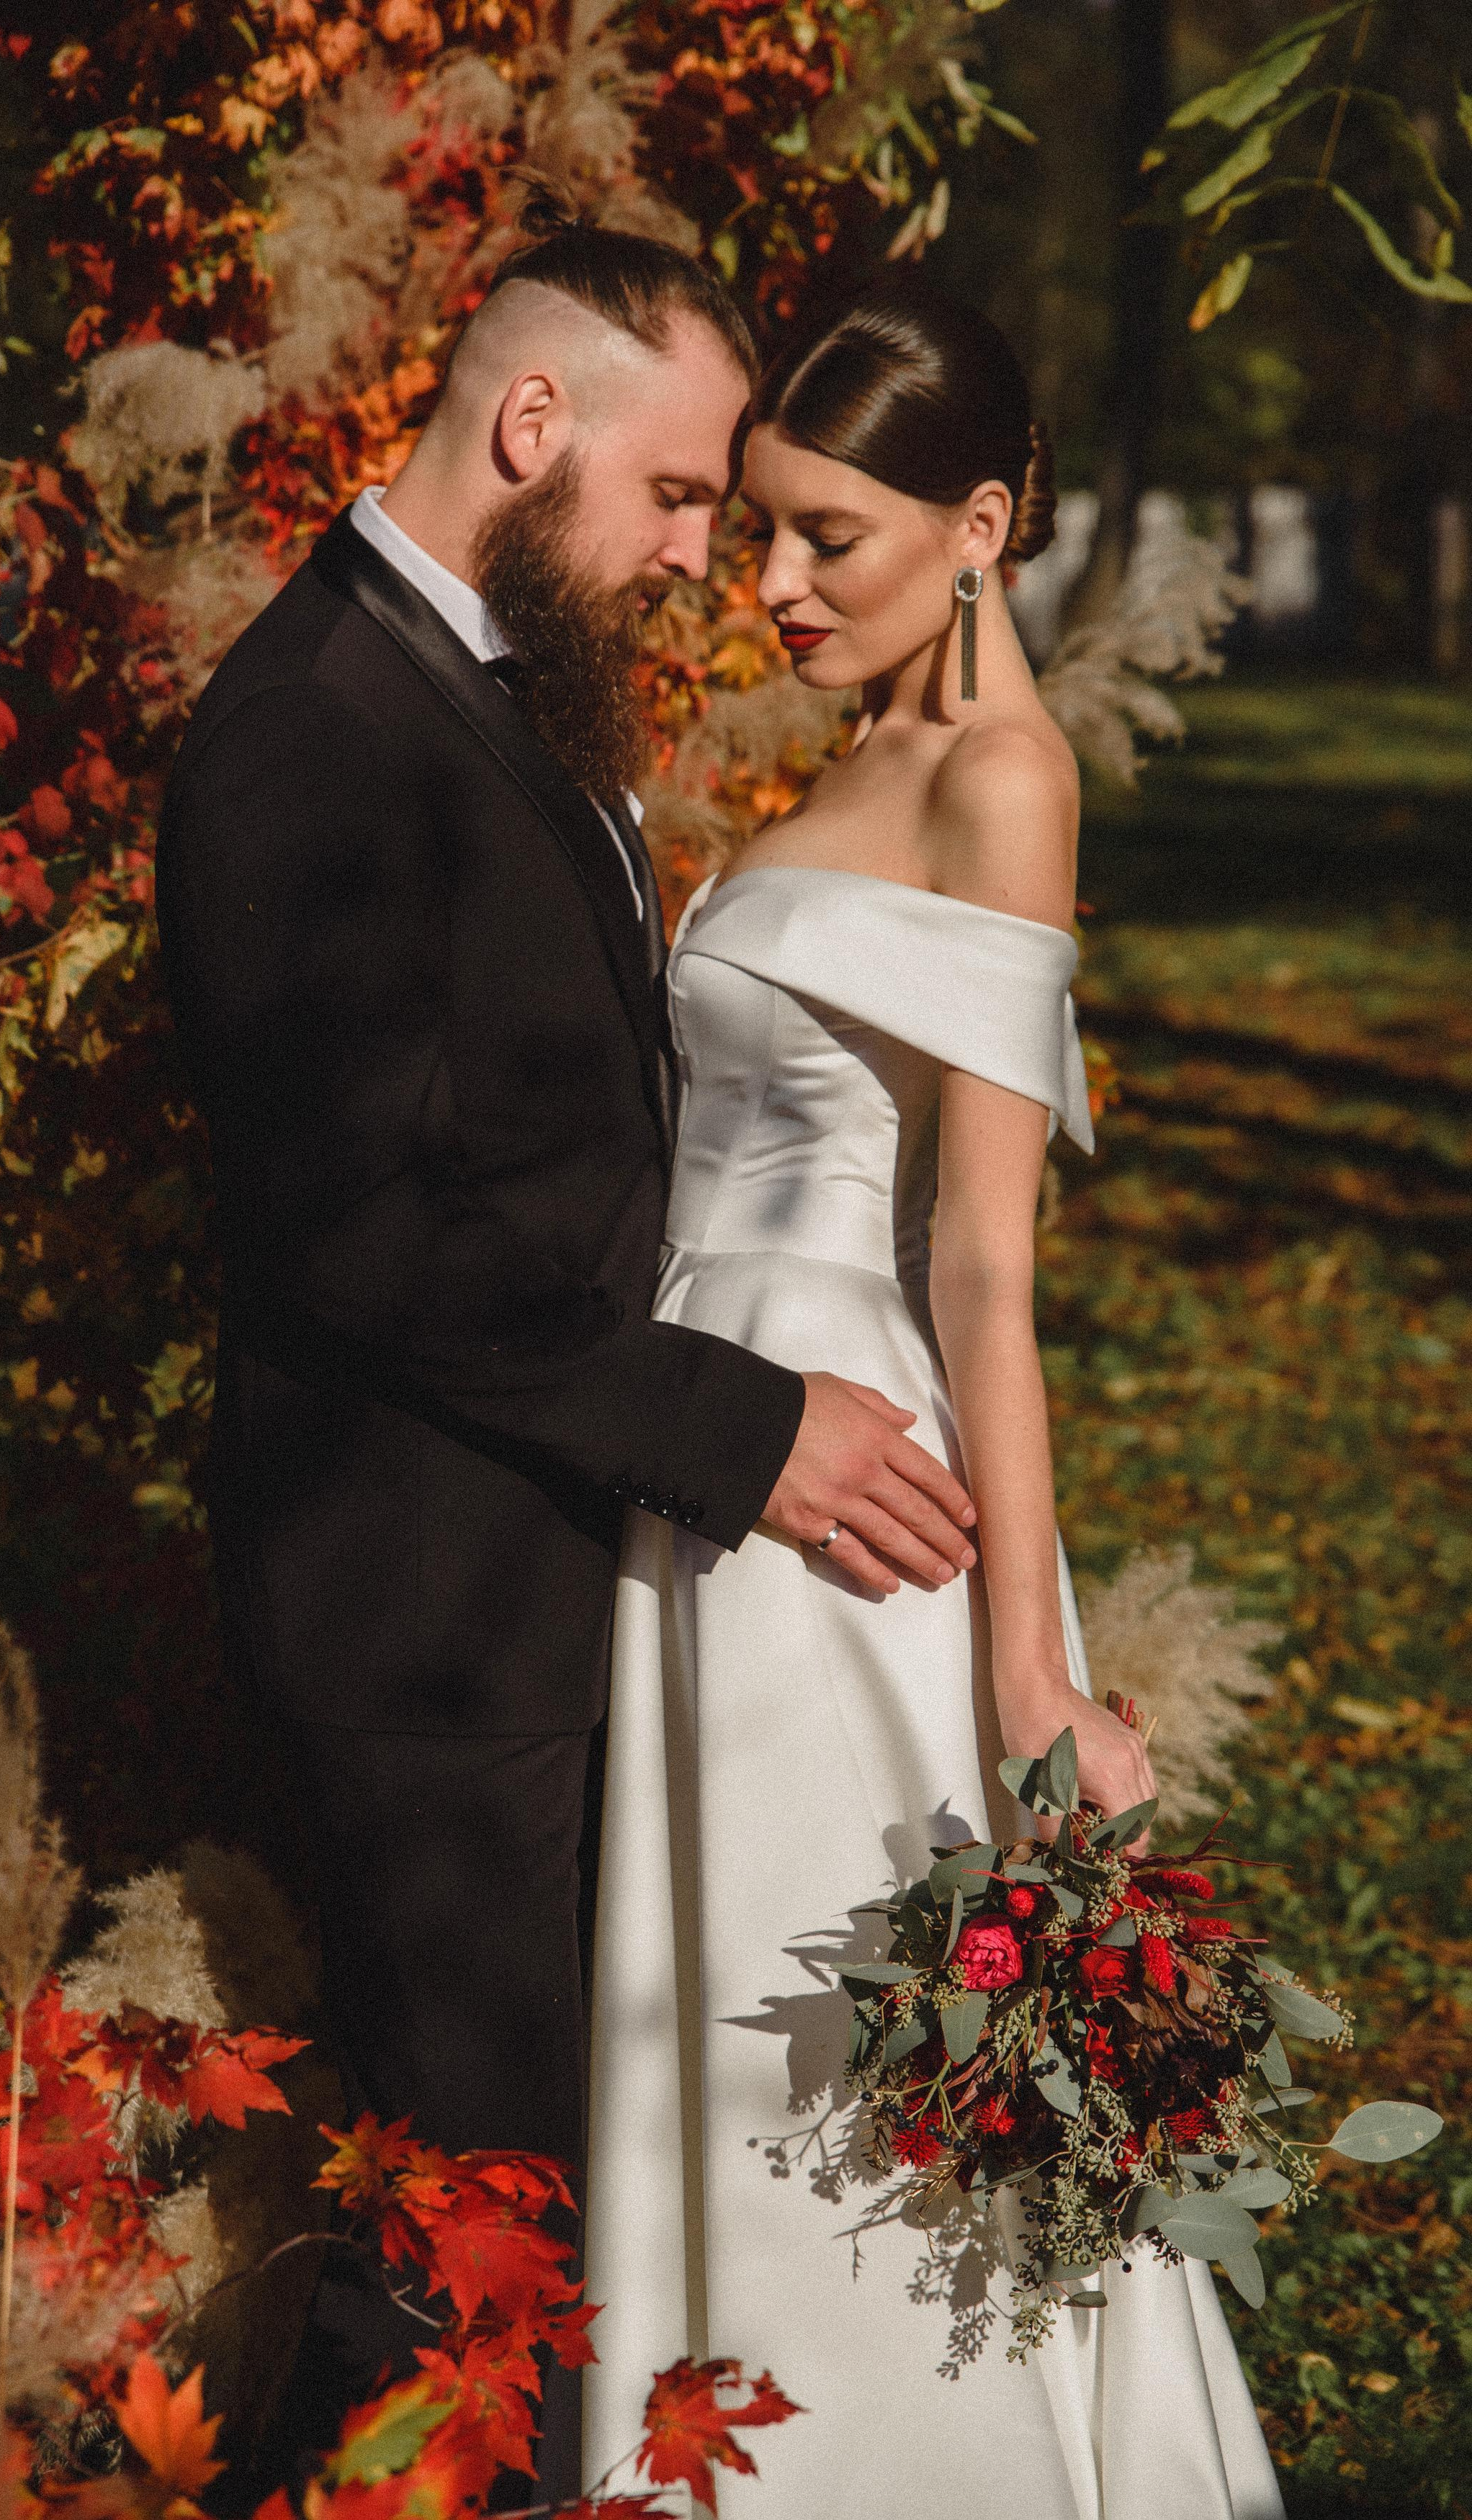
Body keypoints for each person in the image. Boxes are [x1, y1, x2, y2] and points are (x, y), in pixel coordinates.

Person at [154, 203, 979, 2497]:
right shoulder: (309, 734)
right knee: (467, 2246)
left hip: (534, 1579)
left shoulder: (490, 691)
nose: (704, 552)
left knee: (510, 2216)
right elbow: (372, 1242)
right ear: (533, 423)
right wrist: (745, 1426)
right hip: (425, 1627)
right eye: (682, 492)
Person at [583, 273, 1285, 2517]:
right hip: (702, 1452)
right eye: (766, 528)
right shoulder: (856, 754)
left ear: (982, 523)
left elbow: (984, 1250)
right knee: (717, 2050)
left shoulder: (1002, 771)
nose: (772, 583)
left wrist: (1027, 1675)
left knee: (848, 2091)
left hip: (842, 1501)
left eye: (833, 540)